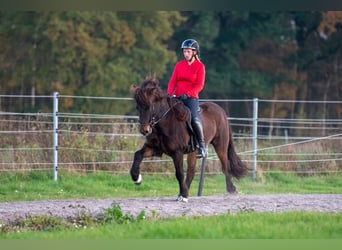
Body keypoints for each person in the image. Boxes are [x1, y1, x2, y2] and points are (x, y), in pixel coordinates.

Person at [167, 38, 207, 158]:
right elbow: (172, 82)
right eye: (185, 51)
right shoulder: (179, 65)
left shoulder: (200, 67)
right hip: (177, 97)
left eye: (188, 51)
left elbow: (200, 85)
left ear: (194, 52)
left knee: (194, 118)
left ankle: (202, 146)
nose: (186, 54)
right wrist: (169, 93)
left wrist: (188, 94)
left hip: (191, 98)